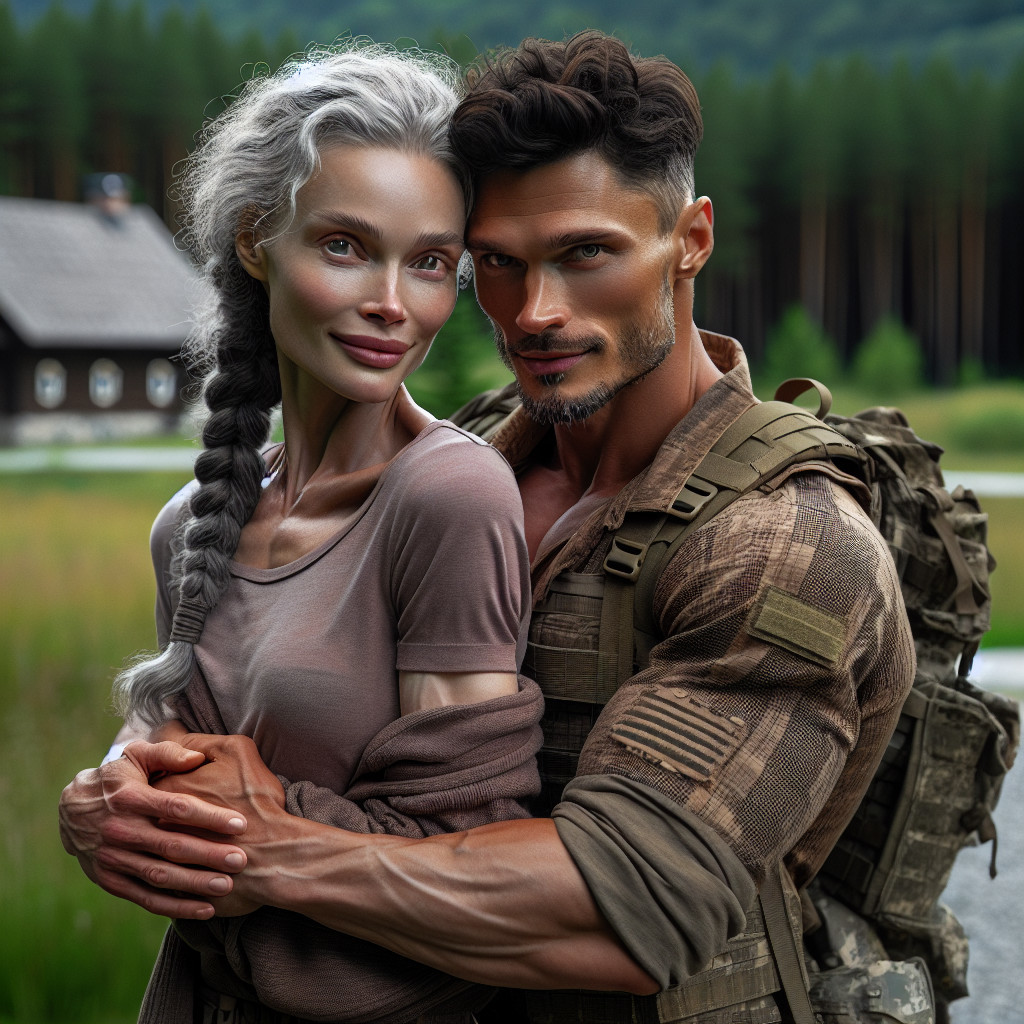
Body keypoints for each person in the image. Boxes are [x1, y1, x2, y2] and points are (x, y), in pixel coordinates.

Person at [60, 30, 918, 1023]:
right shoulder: (463, 459)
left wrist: (269, 845)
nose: (536, 312)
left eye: (586, 253)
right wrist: (126, 790)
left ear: (691, 239)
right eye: (496, 264)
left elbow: (629, 911)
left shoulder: (782, 543)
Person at [62, 42, 547, 1024]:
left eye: (430, 265)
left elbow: (465, 865)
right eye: (344, 245)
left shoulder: (449, 496)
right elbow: (175, 766)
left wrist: (241, 817)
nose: (391, 302)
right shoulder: (190, 524)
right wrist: (108, 795)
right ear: (255, 240)